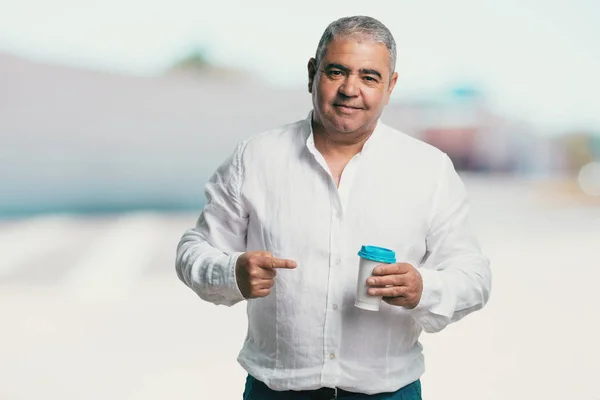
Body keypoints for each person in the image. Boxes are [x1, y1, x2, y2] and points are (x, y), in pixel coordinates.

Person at [176, 15, 491, 400]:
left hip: (389, 393)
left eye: (369, 77)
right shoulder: (256, 157)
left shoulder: (430, 170)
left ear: (390, 86)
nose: (350, 89)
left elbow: (474, 277)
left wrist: (423, 288)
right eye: (337, 71)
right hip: (276, 391)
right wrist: (231, 271)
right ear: (313, 73)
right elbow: (193, 249)